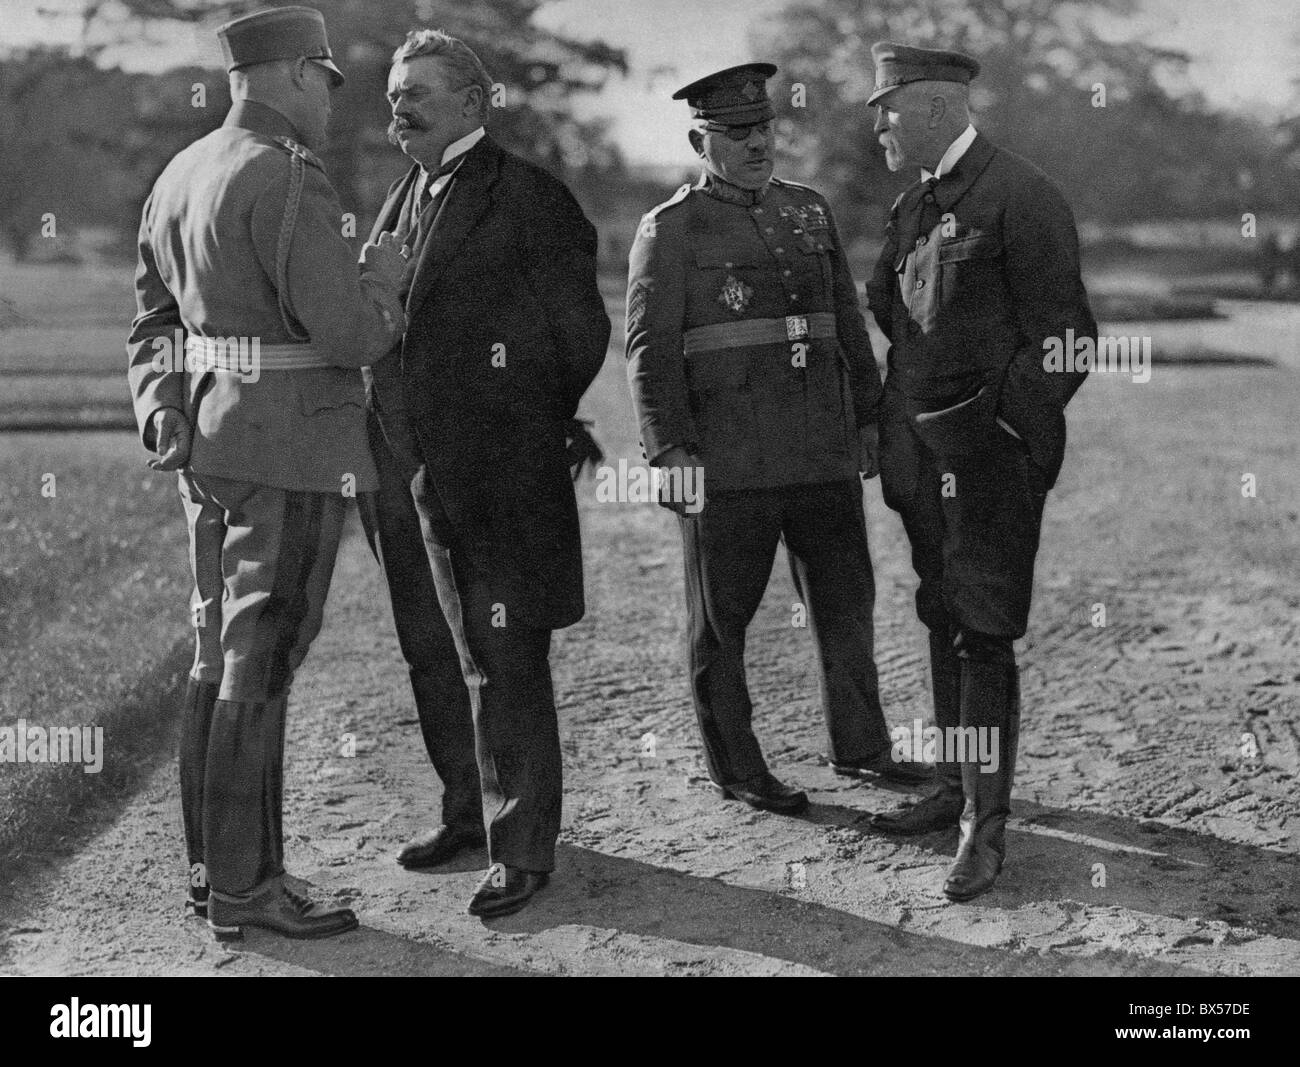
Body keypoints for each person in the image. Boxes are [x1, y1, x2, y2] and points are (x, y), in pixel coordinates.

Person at [125, 5, 406, 940]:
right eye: (324, 80)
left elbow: (153, 319)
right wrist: (384, 280)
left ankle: (215, 873)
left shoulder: (180, 172)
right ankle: (249, 889)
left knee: (218, 654)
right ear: (290, 75)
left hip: (208, 443)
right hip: (293, 448)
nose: (330, 98)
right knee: (264, 658)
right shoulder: (285, 178)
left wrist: (161, 401)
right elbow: (349, 335)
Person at [625, 63, 929, 819]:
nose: (757, 143)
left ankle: (861, 745)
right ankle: (737, 767)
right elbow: (648, 349)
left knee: (846, 606)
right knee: (722, 623)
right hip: (727, 463)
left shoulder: (807, 211)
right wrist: (670, 451)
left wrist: (865, 417)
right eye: (737, 133)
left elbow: (845, 323)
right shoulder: (670, 228)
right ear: (702, 139)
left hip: (820, 450)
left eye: (763, 129)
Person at [360, 29, 610, 918]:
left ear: (474, 101)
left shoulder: (529, 197)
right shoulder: (401, 197)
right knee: (434, 646)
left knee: (504, 654)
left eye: (417, 90)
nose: (399, 104)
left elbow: (579, 331)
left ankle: (524, 846)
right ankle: (467, 813)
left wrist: (513, 422)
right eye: (393, 91)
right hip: (406, 468)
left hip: (496, 470)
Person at [863, 43, 1096, 901]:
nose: (876, 126)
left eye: (884, 108)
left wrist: (1002, 432)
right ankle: (956, 785)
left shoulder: (1021, 195)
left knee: (983, 633)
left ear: (932, 108)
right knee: (942, 612)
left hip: (988, 463)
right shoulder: (913, 206)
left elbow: (1068, 339)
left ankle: (983, 828)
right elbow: (891, 318)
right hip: (920, 464)